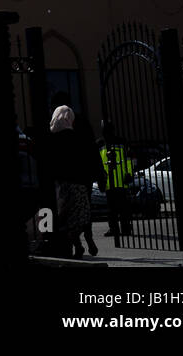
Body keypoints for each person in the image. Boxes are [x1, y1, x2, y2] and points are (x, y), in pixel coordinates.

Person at [42, 105, 104, 257]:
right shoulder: (79, 138)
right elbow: (91, 158)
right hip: (80, 183)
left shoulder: (51, 139)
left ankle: (75, 246)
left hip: (61, 184)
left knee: (65, 218)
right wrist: (99, 176)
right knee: (81, 215)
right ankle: (87, 239)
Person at [97, 121, 133, 238]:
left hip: (114, 180)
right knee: (118, 208)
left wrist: (129, 174)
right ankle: (121, 228)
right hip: (118, 180)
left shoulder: (100, 143)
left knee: (114, 208)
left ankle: (118, 229)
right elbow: (128, 160)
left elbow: (98, 164)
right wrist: (129, 174)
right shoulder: (120, 142)